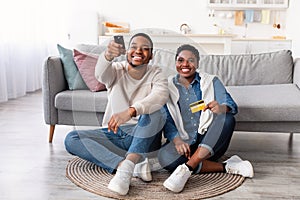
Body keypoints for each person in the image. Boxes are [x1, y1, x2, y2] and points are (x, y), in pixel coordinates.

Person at [64, 33, 169, 195]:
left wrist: (131, 111)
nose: (138, 51)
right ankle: (126, 166)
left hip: (144, 136)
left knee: (157, 110)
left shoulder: (157, 73)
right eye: (134, 47)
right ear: (127, 51)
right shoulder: (115, 70)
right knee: (71, 139)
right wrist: (107, 55)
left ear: (151, 56)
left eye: (144, 48)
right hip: (114, 134)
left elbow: (160, 96)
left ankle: (129, 163)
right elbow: (100, 74)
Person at [157, 44, 254, 193]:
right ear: (175, 62)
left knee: (226, 118)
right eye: (180, 60)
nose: (185, 64)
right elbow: (166, 118)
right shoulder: (166, 85)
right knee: (164, 156)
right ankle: (227, 166)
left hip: (209, 142)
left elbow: (231, 104)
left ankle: (187, 168)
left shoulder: (211, 81)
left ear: (197, 63)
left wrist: (221, 108)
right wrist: (177, 141)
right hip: (183, 143)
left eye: (190, 60)